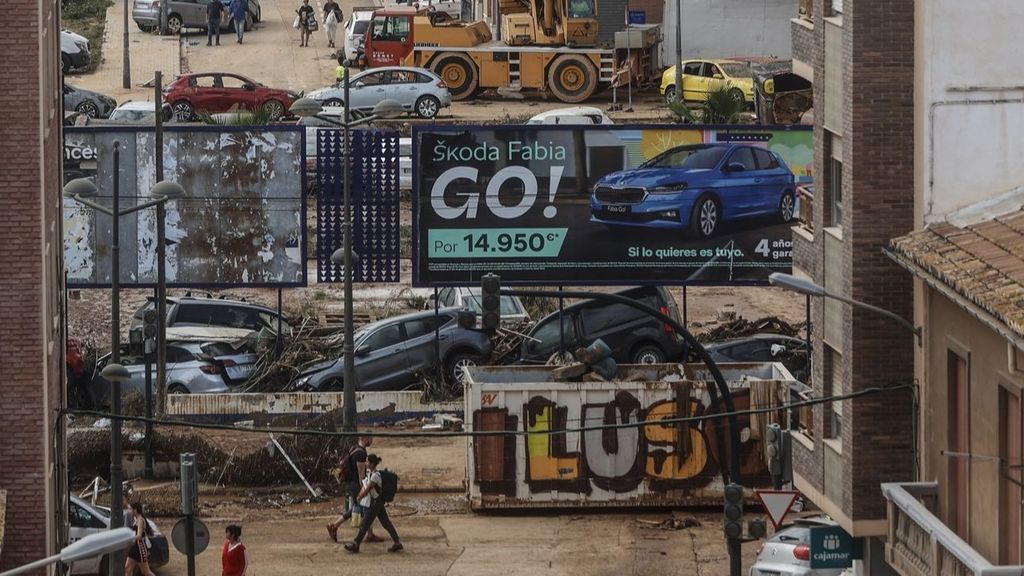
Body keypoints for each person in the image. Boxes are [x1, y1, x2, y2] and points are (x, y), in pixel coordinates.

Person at [344, 454, 402, 553]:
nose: (365, 463)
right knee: (385, 523)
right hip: (377, 501)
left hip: (375, 503)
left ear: (371, 463)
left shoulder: (375, 476)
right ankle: (397, 543)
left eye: (367, 462)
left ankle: (356, 544)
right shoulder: (371, 473)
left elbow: (368, 489)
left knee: (365, 523)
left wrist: (359, 497)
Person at [327, 436, 381, 542]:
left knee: (360, 507)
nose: (371, 441)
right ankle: (335, 525)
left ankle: (335, 525)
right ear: (366, 438)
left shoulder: (354, 448)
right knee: (366, 507)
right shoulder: (361, 454)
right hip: (355, 485)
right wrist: (365, 489)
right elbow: (361, 475)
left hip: (349, 483)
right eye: (371, 438)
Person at [124, 502, 157, 576]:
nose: (129, 511)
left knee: (146, 572)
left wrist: (130, 538)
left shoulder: (140, 520)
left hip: (140, 548)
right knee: (127, 568)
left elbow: (139, 536)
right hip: (134, 547)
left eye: (130, 509)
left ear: (135, 510)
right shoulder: (136, 519)